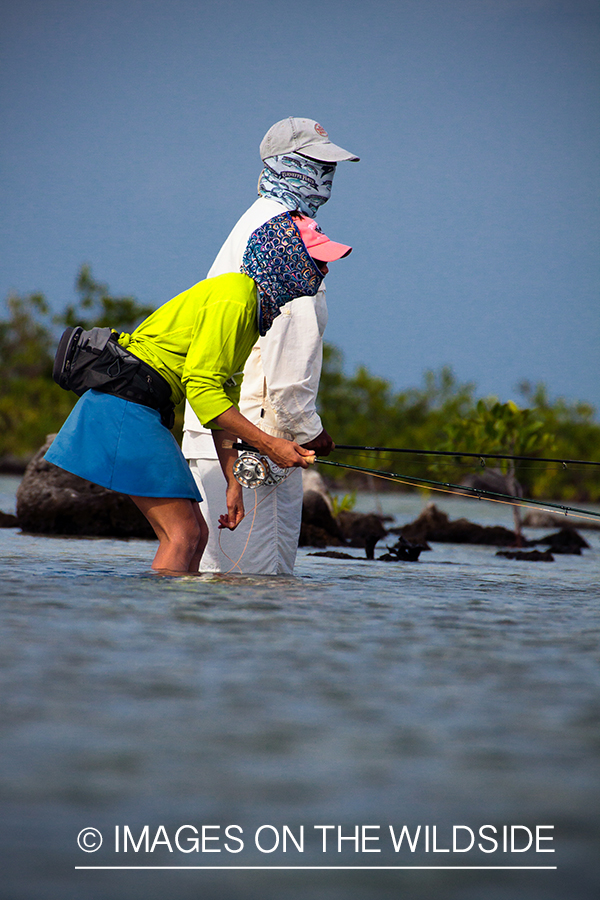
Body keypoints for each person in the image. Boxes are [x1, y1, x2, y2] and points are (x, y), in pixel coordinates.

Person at [44, 213, 351, 574]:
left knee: (197, 534)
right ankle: (152, 612)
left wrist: (233, 483)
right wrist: (270, 444)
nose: (324, 271)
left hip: (138, 407)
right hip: (126, 405)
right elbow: (202, 389)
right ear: (284, 260)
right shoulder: (237, 300)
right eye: (316, 261)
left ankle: (170, 609)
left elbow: (219, 397)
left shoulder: (250, 307)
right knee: (183, 535)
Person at [183, 117, 359, 574]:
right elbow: (287, 359)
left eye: (330, 167)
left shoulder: (256, 221)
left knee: (246, 585)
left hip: (236, 434)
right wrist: (309, 430)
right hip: (253, 438)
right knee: (254, 586)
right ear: (284, 164)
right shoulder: (286, 235)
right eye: (315, 165)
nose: (325, 178)